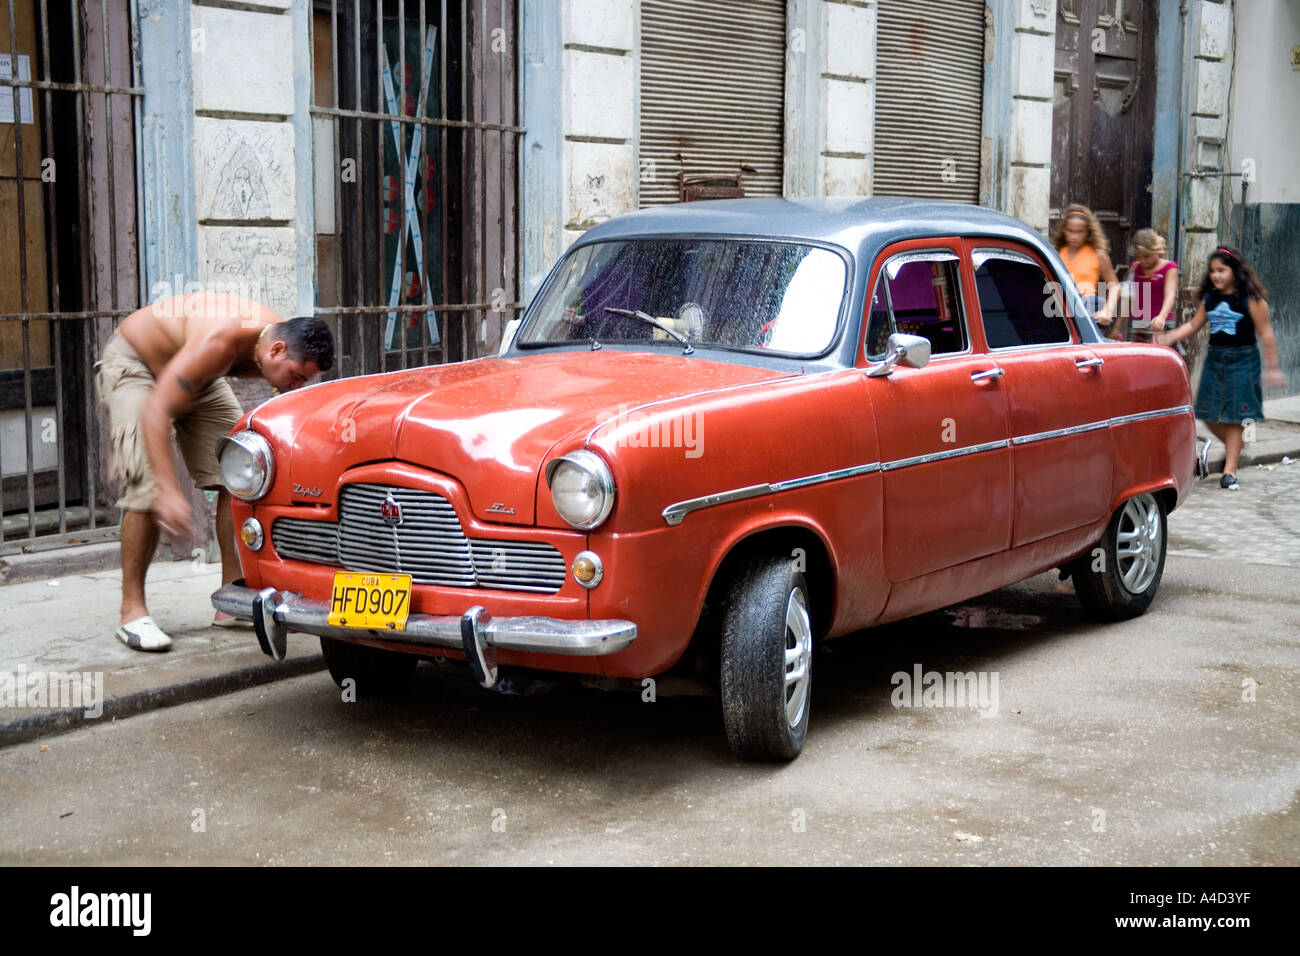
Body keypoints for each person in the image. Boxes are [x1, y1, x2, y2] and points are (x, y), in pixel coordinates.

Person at [94, 295, 334, 650]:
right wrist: (169, 489)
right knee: (147, 486)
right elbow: (157, 409)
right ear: (277, 350)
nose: (296, 386)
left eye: (304, 381)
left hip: (197, 379)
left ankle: (231, 600)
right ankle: (132, 611)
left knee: (242, 469)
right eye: (296, 377)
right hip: (137, 367)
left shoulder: (275, 338)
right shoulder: (219, 341)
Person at [1155, 246, 1285, 491]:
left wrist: (1272, 368)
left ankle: (1230, 471)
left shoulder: (1252, 300)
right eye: (1213, 271)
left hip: (1244, 360)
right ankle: (1236, 447)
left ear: (1235, 271)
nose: (1216, 276)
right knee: (1206, 412)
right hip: (1216, 360)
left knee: (1235, 416)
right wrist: (1168, 337)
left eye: (1222, 270)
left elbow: (1266, 334)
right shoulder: (1211, 298)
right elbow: (1194, 324)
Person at [1052, 203, 1120, 335]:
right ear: (1063, 230)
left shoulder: (1098, 255)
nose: (1074, 236)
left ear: (1088, 232)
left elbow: (1115, 286)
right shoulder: (1056, 253)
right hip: (1060, 310)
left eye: (1079, 232)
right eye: (1070, 231)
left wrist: (1107, 310)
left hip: (1087, 311)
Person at [1124, 228, 1178, 341]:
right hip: (1139, 324)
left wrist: (1161, 317)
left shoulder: (1169, 268)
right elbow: (1127, 298)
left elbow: (1170, 295)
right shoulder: (1135, 268)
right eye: (1139, 257)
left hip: (1161, 324)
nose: (1143, 261)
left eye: (1147, 256)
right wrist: (1117, 328)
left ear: (1156, 250)